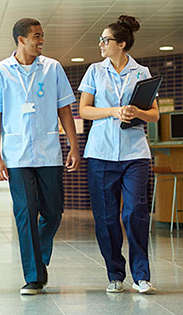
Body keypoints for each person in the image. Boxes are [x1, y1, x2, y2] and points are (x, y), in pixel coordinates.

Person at [0, 18, 80, 295]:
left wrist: (73, 146)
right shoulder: (0, 71)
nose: (41, 41)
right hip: (16, 156)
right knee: (25, 213)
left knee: (53, 213)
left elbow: (65, 109)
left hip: (49, 153)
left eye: (42, 36)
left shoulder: (53, 68)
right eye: (36, 36)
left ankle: (36, 257)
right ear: (21, 39)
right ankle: (34, 275)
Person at [78, 15, 158, 294]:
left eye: (106, 40)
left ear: (121, 44)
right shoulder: (94, 71)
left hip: (135, 153)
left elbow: (155, 114)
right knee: (107, 217)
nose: (100, 44)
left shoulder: (142, 72)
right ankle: (115, 273)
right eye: (101, 39)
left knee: (135, 211)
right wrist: (113, 111)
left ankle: (141, 275)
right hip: (101, 153)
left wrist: (137, 112)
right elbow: (84, 110)